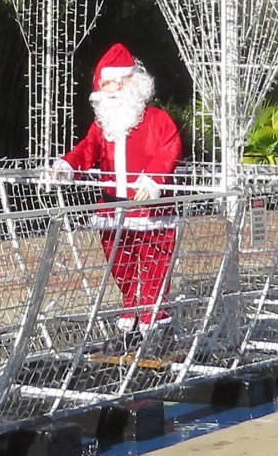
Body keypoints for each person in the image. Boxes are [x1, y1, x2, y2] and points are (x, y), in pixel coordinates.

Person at [45, 44, 184, 329]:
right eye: (105, 84)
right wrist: (67, 166)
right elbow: (87, 150)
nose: (109, 90)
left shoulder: (157, 120)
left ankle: (153, 314)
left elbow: (169, 149)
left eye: (116, 83)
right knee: (119, 261)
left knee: (155, 260)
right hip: (112, 208)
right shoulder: (102, 126)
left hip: (150, 209)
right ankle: (131, 305)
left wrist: (152, 180)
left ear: (133, 83)